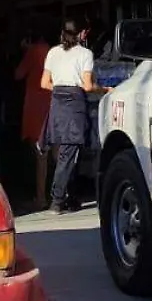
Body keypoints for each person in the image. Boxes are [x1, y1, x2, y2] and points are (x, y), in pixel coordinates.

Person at [40, 20, 104, 214]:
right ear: (83, 34)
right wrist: (106, 89)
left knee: (67, 151)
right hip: (75, 103)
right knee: (69, 152)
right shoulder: (85, 54)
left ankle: (72, 197)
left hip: (57, 102)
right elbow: (87, 86)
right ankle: (57, 199)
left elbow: (44, 83)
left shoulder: (53, 52)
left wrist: (61, 88)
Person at [12, 31, 52, 208]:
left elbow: (18, 74)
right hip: (53, 102)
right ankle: (59, 193)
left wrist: (24, 51)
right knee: (57, 153)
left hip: (36, 106)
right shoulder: (54, 51)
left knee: (40, 153)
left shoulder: (33, 51)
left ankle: (41, 196)